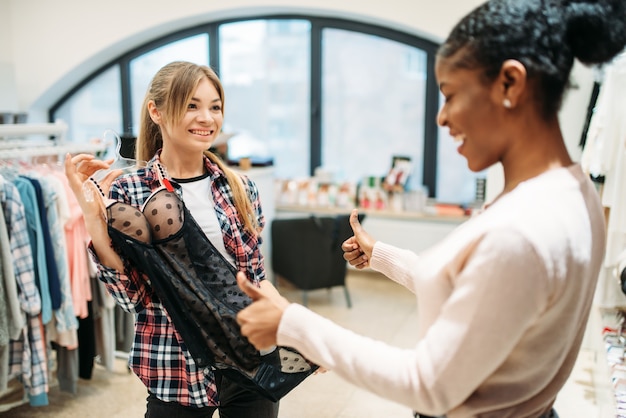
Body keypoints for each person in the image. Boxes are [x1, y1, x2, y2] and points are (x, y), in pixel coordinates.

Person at [234, 1, 626, 417]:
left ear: (510, 83)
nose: (441, 118)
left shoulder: (520, 231)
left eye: (450, 95)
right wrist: (383, 255)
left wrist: (293, 323)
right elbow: (483, 296)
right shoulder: (574, 191)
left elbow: (428, 385)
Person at [64, 61, 279, 418]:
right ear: (156, 111)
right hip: (175, 368)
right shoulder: (129, 191)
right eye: (192, 105)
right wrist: (93, 220)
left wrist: (303, 335)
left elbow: (256, 282)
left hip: (251, 362)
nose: (207, 118)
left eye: (215, 107)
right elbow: (133, 296)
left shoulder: (241, 188)